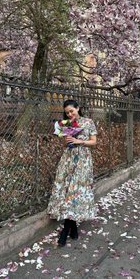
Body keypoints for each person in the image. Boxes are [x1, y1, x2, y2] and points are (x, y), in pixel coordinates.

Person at [47, 99, 98, 247]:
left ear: (78, 108)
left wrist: (79, 141)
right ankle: (73, 227)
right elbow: (65, 142)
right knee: (67, 189)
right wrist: (68, 139)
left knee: (76, 191)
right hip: (68, 159)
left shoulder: (88, 122)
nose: (69, 114)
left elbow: (94, 141)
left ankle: (65, 231)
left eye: (72, 111)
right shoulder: (66, 124)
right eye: (67, 112)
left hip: (83, 160)